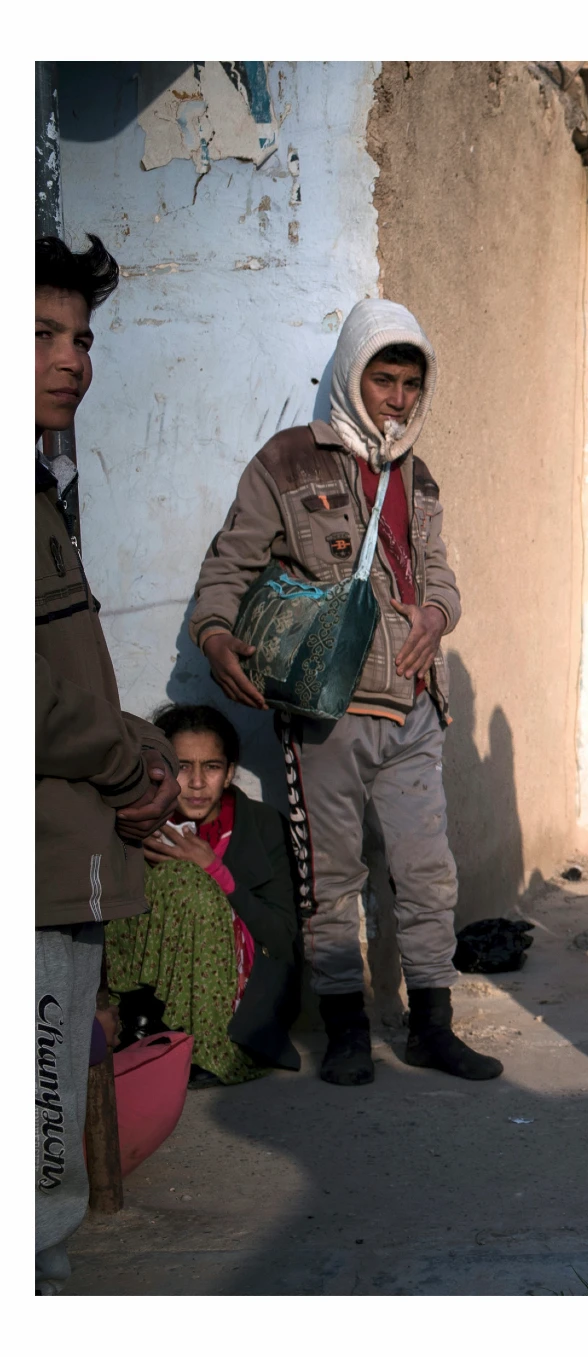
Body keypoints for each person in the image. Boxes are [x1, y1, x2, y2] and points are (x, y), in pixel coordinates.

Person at [190, 299, 499, 1086]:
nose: (396, 397)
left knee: (429, 869)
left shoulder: (417, 473)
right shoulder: (289, 458)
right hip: (324, 708)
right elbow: (230, 563)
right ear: (351, 373)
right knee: (331, 876)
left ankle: (433, 1024)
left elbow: (439, 573)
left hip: (413, 704)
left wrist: (438, 611)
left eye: (409, 384)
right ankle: (346, 1029)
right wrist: (216, 635)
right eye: (382, 378)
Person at [35, 233, 181, 1292]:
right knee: (36, 1123)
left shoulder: (41, 488)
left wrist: (137, 751)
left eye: (80, 337)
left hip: (67, 847)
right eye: (38, 335)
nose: (72, 358)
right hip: (37, 863)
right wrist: (130, 771)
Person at [107, 705, 302, 1086]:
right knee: (158, 882)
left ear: (229, 772)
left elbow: (281, 937)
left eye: (211, 767)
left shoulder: (262, 826)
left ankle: (207, 1045)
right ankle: (145, 1025)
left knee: (191, 884)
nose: (197, 782)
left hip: (239, 987)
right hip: (146, 991)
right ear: (159, 769)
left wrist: (216, 872)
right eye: (182, 766)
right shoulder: (136, 823)